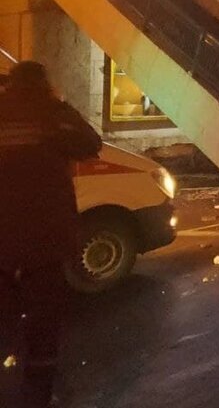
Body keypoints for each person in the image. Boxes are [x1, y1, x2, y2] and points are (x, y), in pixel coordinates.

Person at [0, 61, 101, 408]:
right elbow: (91, 143)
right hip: (44, 239)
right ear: (45, 84)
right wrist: (60, 103)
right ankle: (38, 396)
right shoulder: (52, 112)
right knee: (43, 323)